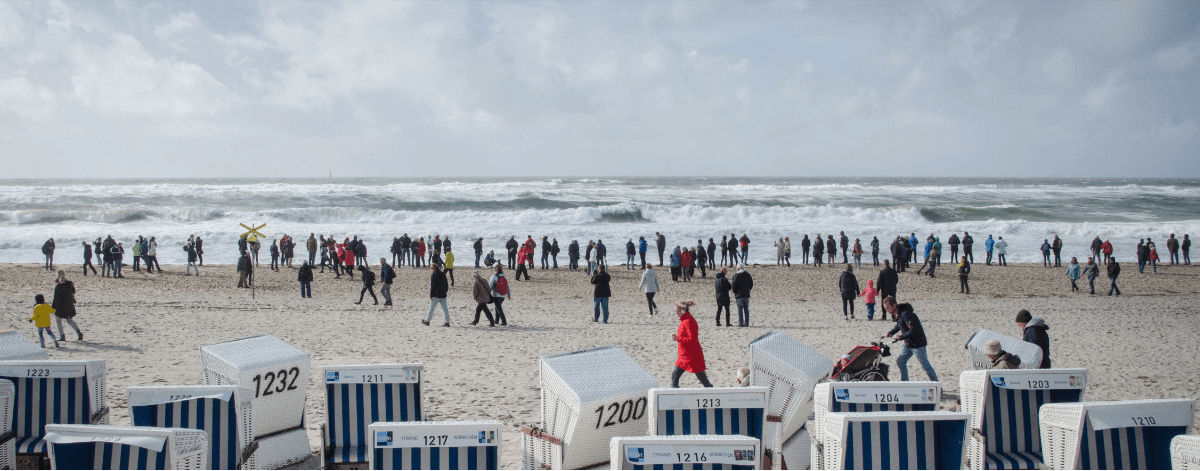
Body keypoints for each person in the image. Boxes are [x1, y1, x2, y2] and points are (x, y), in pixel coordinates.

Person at [882, 297, 938, 381]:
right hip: (908, 344)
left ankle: (937, 386)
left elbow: (914, 330)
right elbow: (899, 325)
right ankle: (904, 382)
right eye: (885, 308)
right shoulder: (898, 313)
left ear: (894, 305)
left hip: (917, 344)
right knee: (900, 361)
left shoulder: (906, 314)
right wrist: (890, 333)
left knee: (925, 366)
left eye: (888, 307)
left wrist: (900, 337)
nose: (887, 310)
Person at [670, 300, 713, 388]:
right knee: (675, 375)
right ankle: (673, 391)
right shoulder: (684, 320)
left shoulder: (689, 321)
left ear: (682, 310)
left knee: (702, 378)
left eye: (677, 311)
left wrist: (677, 338)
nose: (676, 313)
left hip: (692, 355)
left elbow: (692, 339)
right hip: (685, 355)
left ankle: (711, 391)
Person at [52, 271, 83, 341]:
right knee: (69, 320)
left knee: (58, 321)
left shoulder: (58, 286)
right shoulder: (69, 284)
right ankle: (79, 332)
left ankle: (62, 336)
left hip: (61, 306)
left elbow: (56, 298)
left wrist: (53, 307)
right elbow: (73, 292)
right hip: (69, 304)